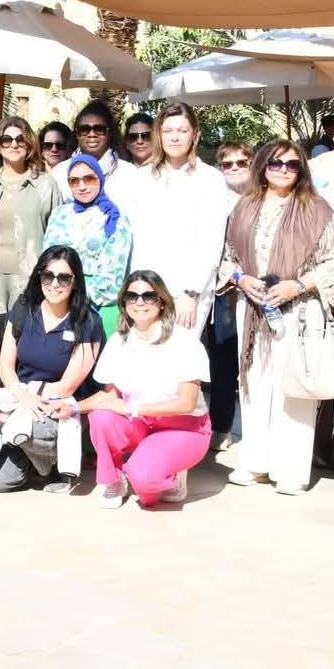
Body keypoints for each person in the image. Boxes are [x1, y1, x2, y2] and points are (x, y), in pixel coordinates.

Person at [220, 140, 334, 496]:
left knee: (292, 387)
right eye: (275, 163)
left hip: (299, 310)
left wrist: (297, 286)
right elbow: (227, 257)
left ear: (301, 170)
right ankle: (256, 462)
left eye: (292, 165)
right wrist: (240, 279)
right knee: (255, 382)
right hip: (253, 309)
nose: (283, 170)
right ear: (262, 166)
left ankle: (290, 469)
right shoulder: (244, 207)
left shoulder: (317, 209)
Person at [76, 272, 212, 508]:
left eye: (148, 296)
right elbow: (109, 396)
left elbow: (186, 403)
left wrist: (133, 407)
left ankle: (171, 469)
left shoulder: (184, 342)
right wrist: (70, 406)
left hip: (183, 427)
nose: (139, 302)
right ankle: (114, 480)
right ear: (124, 302)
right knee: (101, 417)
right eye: (132, 296)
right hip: (142, 424)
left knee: (145, 484)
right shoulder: (118, 341)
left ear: (162, 302)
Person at [0, 246, 103, 494]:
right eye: (48, 276)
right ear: (39, 277)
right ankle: (36, 461)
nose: (55, 284)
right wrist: (21, 396)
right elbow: (5, 365)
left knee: (39, 430)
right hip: (20, 397)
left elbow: (68, 385)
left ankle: (53, 464)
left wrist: (29, 400)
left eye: (64, 278)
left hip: (58, 405)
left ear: (75, 282)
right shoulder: (24, 307)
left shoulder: (88, 320)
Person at [116, 102, 233, 339]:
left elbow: (211, 241)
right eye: (168, 131)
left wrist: (191, 292)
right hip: (145, 289)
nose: (175, 137)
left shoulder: (210, 180)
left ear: (194, 134)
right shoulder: (141, 178)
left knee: (180, 354)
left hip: (188, 292)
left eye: (182, 130)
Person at [0, 116, 60, 323]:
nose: (14, 144)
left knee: (26, 340)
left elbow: (58, 238)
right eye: (6, 140)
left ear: (29, 144)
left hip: (32, 282)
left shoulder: (45, 185)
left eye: (20, 139)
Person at [41, 153, 132, 331]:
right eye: (74, 181)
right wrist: (60, 293)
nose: (82, 186)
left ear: (100, 179)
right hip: (58, 303)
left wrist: (69, 292)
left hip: (99, 309)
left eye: (89, 179)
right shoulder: (59, 214)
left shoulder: (116, 219)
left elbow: (112, 281)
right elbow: (48, 260)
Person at [205, 142, 256, 444]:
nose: (234, 168)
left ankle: (258, 431)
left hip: (259, 291)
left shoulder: (264, 198)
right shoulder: (214, 200)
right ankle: (221, 427)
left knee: (256, 363)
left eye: (241, 162)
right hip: (224, 289)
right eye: (227, 164)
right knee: (222, 362)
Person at [54, 102, 126, 190]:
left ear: (110, 133)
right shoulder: (59, 173)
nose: (92, 134)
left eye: (99, 129)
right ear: (77, 134)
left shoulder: (128, 174)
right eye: (84, 129)